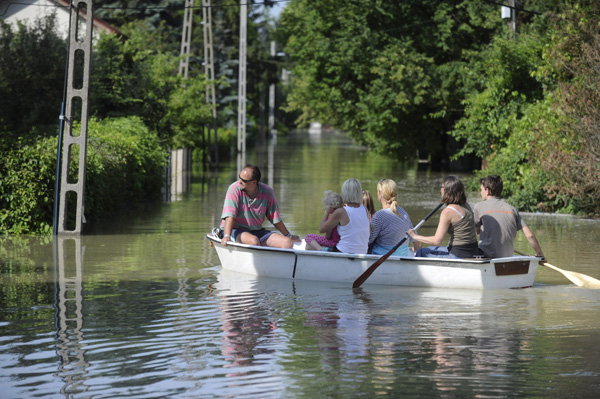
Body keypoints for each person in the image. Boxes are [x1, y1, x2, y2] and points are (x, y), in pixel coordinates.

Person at [220, 164, 299, 248]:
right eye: (240, 177)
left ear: (254, 182)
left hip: (257, 231)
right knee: (253, 241)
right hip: (235, 230)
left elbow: (275, 219)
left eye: (244, 180)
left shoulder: (267, 192)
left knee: (287, 243)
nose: (240, 181)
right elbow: (230, 216)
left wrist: (288, 235)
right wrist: (226, 236)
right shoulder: (234, 189)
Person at [408, 175, 483, 259]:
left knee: (421, 252)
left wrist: (414, 236)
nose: (441, 189)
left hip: (458, 255)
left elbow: (437, 241)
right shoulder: (466, 205)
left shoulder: (447, 212)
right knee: (429, 249)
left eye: (442, 187)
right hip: (472, 251)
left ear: (447, 191)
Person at [474, 174, 545, 259]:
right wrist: (540, 255)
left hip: (486, 256)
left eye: (481, 190)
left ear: (488, 191)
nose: (481, 192)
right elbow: (530, 235)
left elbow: (476, 232)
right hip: (507, 257)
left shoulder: (479, 206)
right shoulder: (512, 209)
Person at [368, 179, 420, 256]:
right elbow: (414, 236)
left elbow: (369, 240)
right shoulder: (403, 212)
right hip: (402, 256)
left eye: (377, 191)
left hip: (382, 257)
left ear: (380, 194)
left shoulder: (379, 215)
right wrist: (416, 248)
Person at [318, 178, 370, 254]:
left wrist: (326, 212)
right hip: (363, 252)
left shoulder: (342, 211)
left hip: (343, 252)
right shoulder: (365, 210)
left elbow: (321, 229)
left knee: (309, 246)